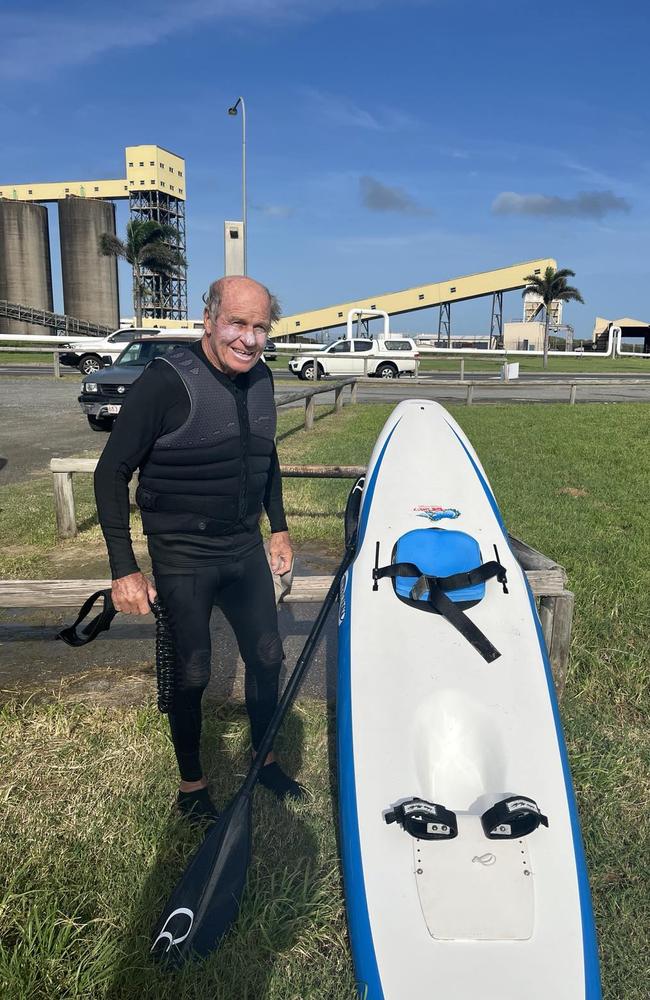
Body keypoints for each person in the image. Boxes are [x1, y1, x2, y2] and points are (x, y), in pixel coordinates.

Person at [94, 276, 303, 823]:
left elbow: (265, 455)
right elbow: (110, 472)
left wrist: (277, 527)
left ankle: (266, 758)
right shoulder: (166, 382)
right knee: (191, 672)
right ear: (209, 319)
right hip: (183, 554)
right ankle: (193, 785)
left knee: (268, 657)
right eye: (238, 323)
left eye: (261, 327)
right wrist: (125, 569)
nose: (250, 339)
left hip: (242, 549)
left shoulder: (261, 380)